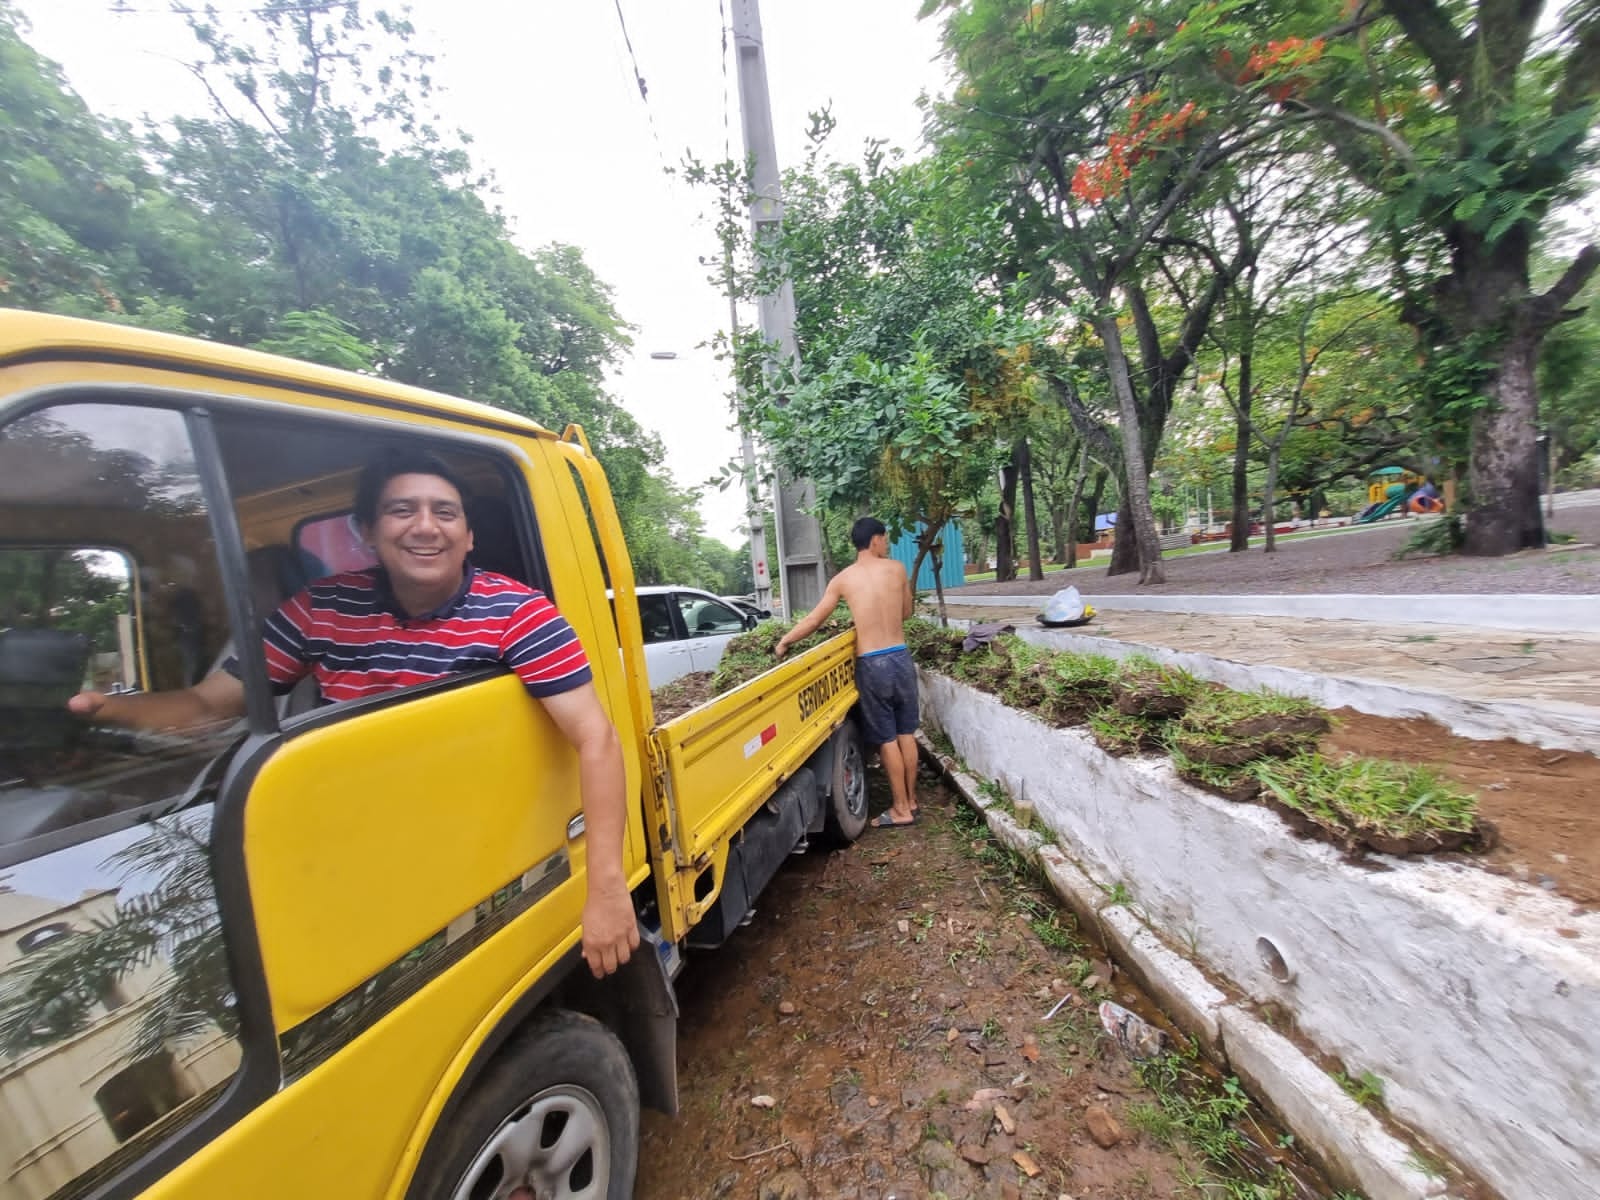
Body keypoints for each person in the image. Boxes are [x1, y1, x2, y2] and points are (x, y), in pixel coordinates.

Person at [67, 449, 639, 979]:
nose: (425, 526)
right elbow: (206, 705)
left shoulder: (518, 614)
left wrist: (607, 890)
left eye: (445, 512)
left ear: (468, 536)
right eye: (401, 510)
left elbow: (597, 740)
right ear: (366, 531)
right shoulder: (321, 608)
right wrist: (108, 709)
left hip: (467, 849)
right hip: (339, 844)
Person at [774, 516, 919, 829]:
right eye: (885, 538)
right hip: (900, 657)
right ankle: (911, 802)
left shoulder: (842, 580)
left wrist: (784, 642)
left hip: (872, 663)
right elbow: (907, 612)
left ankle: (900, 809)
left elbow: (814, 620)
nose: (887, 543)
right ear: (875, 539)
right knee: (906, 733)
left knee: (887, 738)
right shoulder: (897, 569)